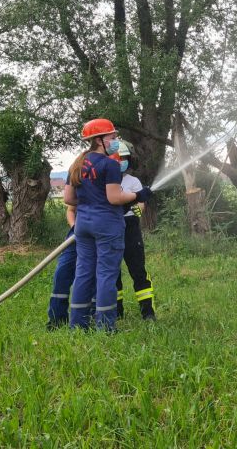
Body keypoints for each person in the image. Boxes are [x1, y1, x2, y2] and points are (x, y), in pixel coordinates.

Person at [63, 118, 152, 332]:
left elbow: (69, 198)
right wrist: (138, 195)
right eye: (112, 136)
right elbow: (114, 198)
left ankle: (78, 324)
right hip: (107, 225)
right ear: (99, 140)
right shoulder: (110, 164)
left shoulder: (77, 164)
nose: (115, 140)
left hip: (83, 224)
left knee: (84, 273)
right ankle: (105, 326)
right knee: (106, 274)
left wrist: (91, 203)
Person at [115, 140, 156, 321]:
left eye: (124, 158)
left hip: (130, 227)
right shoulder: (106, 182)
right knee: (113, 273)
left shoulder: (133, 181)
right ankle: (116, 312)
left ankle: (148, 312)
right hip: (112, 228)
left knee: (138, 270)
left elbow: (141, 204)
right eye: (118, 157)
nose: (121, 161)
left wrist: (134, 211)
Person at [45, 205, 81, 329]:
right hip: (76, 233)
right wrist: (75, 227)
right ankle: (57, 319)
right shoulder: (77, 190)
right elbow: (70, 209)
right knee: (61, 273)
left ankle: (91, 317)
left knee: (91, 276)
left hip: (98, 234)